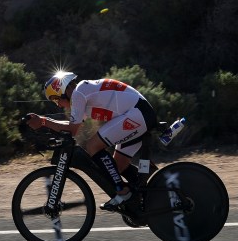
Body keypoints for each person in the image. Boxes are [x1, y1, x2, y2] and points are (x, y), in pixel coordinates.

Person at [26, 71, 158, 210]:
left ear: (62, 90)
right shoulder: (82, 92)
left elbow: (72, 130)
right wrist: (44, 121)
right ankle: (144, 185)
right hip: (139, 114)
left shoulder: (78, 94)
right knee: (117, 167)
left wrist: (43, 122)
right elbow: (72, 128)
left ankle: (122, 192)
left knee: (92, 146)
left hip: (136, 114)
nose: (58, 105)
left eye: (55, 98)